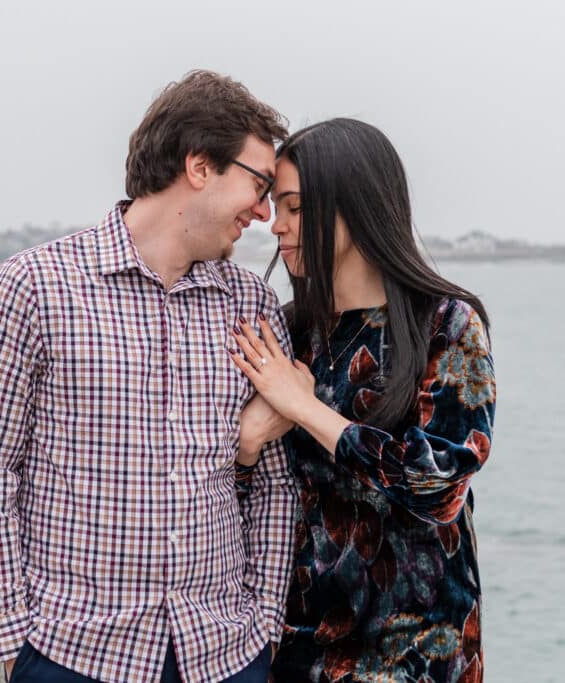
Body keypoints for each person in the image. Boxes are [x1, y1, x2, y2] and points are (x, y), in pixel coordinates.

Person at [0, 70, 296, 683]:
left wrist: (262, 624)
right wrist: (13, 642)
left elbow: (273, 484)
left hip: (223, 655)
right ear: (198, 166)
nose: (266, 213)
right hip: (70, 655)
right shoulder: (34, 287)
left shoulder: (253, 306)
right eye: (259, 184)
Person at [229, 118, 495, 683]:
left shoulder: (447, 324)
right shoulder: (286, 334)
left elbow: (438, 486)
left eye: (295, 208)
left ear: (355, 205)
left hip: (422, 651)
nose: (276, 226)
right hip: (297, 648)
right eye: (276, 207)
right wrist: (248, 445)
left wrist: (306, 409)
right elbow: (241, 500)